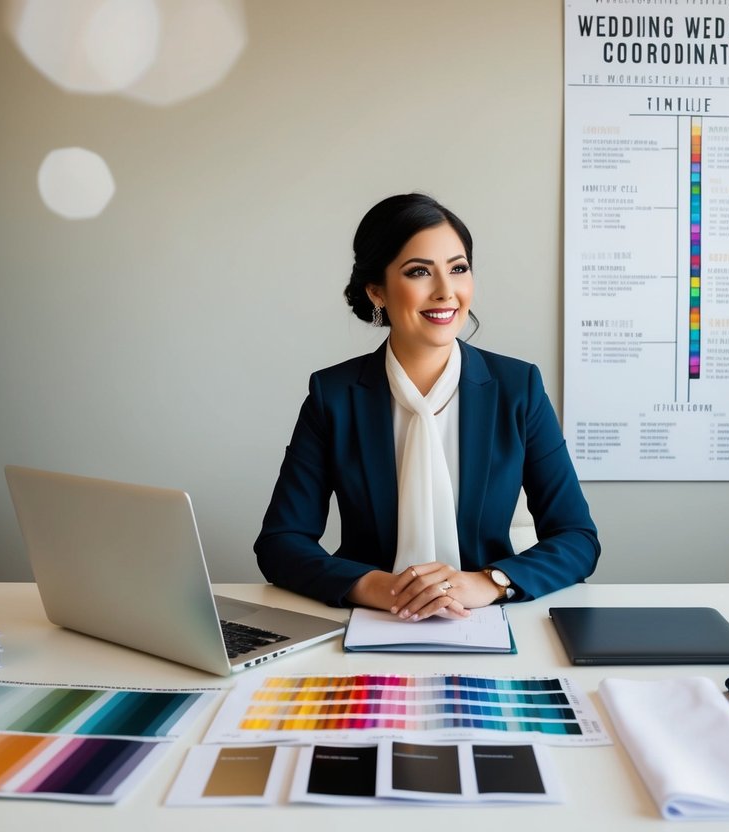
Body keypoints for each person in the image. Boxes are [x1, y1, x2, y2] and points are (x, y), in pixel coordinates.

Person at [255, 194, 599, 621]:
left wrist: (490, 581)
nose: (445, 292)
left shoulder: (517, 388)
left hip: (485, 617)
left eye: (458, 269)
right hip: (373, 618)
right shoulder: (334, 395)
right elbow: (280, 543)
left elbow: (577, 538)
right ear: (376, 290)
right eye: (419, 271)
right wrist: (374, 585)